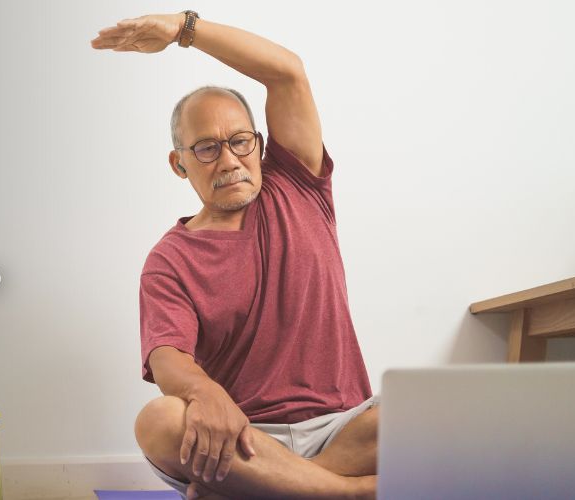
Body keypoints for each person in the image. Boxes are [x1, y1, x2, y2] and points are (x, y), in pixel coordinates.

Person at [92, 11, 379, 499]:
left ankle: (276, 490)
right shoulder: (170, 259)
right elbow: (167, 357)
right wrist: (206, 394)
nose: (228, 161)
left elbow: (286, 70)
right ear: (178, 164)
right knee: (159, 420)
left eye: (239, 142)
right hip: (242, 438)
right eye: (205, 149)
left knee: (432, 417)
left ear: (259, 143)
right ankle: (347, 494)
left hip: (343, 429)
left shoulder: (299, 184)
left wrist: (183, 29)